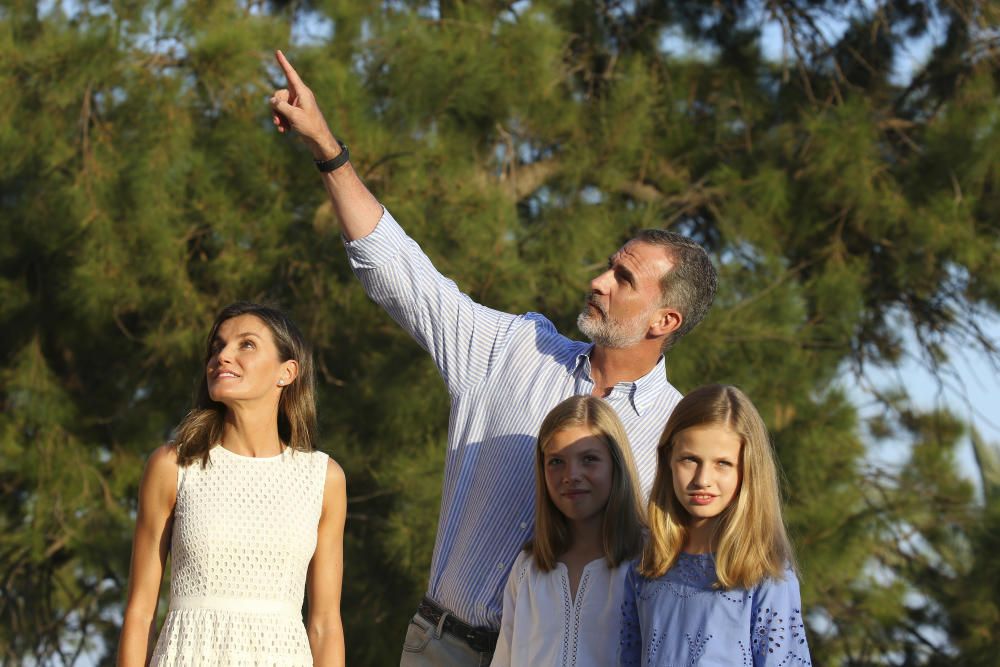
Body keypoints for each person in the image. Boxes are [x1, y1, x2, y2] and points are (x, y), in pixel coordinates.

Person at [269, 50, 717, 666]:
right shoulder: (513, 350)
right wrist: (327, 149)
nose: (598, 280)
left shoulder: (679, 434)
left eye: (622, 278)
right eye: (607, 265)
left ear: (665, 321)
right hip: (443, 648)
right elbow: (402, 274)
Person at [118, 302, 347, 667]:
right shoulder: (174, 465)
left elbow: (324, 625)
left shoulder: (324, 478)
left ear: (287, 372)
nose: (222, 356)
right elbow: (140, 612)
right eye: (217, 346)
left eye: (246, 345)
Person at [618, 384, 812, 666]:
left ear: (747, 470)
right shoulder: (644, 565)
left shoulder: (765, 575)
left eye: (723, 463)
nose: (702, 478)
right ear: (668, 459)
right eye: (690, 460)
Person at [491, 395, 645, 667]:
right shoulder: (529, 567)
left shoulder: (648, 562)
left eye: (589, 459)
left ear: (616, 464)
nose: (571, 474)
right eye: (556, 461)